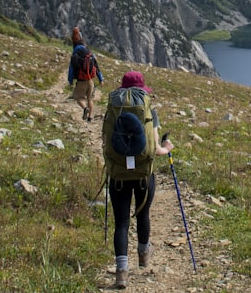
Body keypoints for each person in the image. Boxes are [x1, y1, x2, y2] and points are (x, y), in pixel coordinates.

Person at [106, 71, 173, 289]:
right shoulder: (148, 109)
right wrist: (167, 148)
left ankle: (122, 272)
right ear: (141, 89)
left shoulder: (113, 110)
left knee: (122, 222)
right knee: (142, 213)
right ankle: (144, 256)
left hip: (118, 173)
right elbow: (154, 147)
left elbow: (106, 141)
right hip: (144, 173)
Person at [67, 32, 103, 121]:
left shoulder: (75, 54)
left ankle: (84, 108)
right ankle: (90, 117)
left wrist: (70, 80)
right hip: (90, 80)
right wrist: (101, 79)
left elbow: (71, 69)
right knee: (90, 99)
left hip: (81, 81)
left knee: (79, 98)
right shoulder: (90, 54)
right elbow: (96, 67)